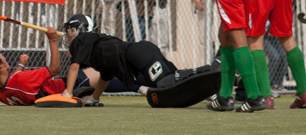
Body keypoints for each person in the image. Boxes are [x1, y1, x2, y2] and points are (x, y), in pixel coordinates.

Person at [60, 14, 220, 108]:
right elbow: (105, 77)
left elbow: (74, 67)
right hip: (142, 52)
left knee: (167, 83)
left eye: (68, 31)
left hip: (138, 54)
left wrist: (68, 93)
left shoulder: (81, 40)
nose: (67, 36)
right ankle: (210, 79)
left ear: (76, 29)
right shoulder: (98, 47)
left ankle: (213, 70)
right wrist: (94, 98)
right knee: (174, 81)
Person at [0, 26, 126, 106]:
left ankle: (140, 85)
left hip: (58, 91)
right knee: (112, 71)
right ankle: (142, 84)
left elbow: (11, 82)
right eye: (0, 55)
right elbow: (54, 69)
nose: (3, 55)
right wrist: (52, 40)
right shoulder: (21, 80)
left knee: (112, 78)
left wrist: (20, 65)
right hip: (68, 87)